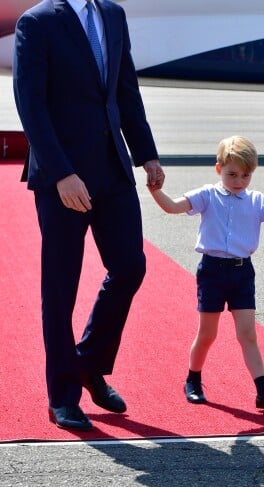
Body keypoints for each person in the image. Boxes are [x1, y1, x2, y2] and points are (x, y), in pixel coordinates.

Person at [13, 0, 165, 431]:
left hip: (112, 168)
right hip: (62, 177)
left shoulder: (113, 15)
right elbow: (31, 104)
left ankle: (88, 362)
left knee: (130, 266)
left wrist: (146, 154)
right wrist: (62, 174)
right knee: (60, 287)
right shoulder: (37, 22)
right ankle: (62, 394)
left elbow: (125, 88)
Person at [147, 136, 264, 412]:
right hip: (212, 271)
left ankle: (263, 392)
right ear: (219, 169)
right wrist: (155, 190)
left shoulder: (256, 200)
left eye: (245, 175)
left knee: (247, 334)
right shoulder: (208, 195)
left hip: (242, 272)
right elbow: (172, 206)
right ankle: (193, 379)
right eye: (232, 174)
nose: (239, 180)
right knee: (207, 333)